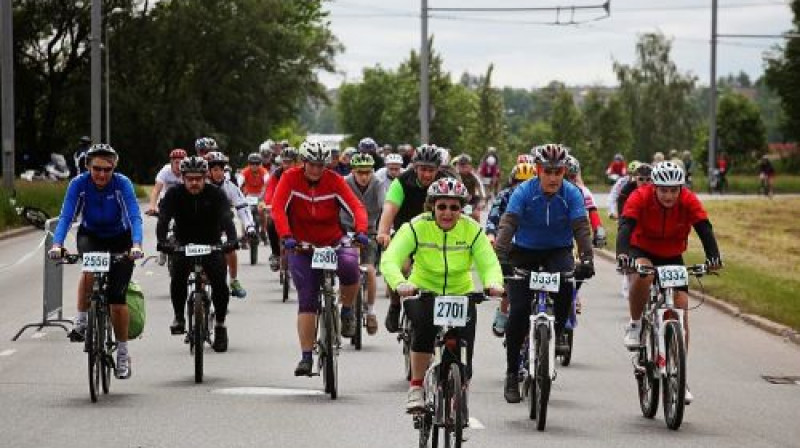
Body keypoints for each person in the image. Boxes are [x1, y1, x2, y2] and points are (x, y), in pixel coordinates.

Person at [380, 178, 504, 412]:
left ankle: (461, 389)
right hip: (423, 290)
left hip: (461, 293)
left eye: (454, 207)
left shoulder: (472, 229)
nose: (448, 213)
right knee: (424, 331)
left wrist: (493, 283)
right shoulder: (416, 226)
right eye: (442, 207)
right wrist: (400, 283)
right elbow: (390, 259)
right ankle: (416, 387)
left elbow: (489, 262)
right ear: (432, 207)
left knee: (465, 345)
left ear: (461, 209)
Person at [494, 143, 595, 403]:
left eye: (558, 172)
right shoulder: (523, 192)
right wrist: (501, 255)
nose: (553, 177)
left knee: (565, 294)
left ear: (564, 171)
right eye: (547, 171)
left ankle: (555, 335)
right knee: (517, 311)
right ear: (538, 170)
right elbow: (508, 223)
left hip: (557, 251)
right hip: (524, 251)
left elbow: (581, 227)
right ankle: (512, 373)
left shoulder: (571, 193)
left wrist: (586, 257)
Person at [616, 161, 723, 404]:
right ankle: (634, 325)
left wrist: (713, 256)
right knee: (646, 275)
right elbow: (626, 226)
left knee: (682, 308)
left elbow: (704, 227)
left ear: (680, 188)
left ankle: (679, 374)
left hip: (673, 254)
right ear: (654, 187)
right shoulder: (640, 196)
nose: (669, 195)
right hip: (641, 247)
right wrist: (623, 254)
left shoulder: (688, 199)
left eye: (674, 190)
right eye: (664, 190)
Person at [270, 139, 369, 376]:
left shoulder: (334, 180)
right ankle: (306, 357)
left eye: (321, 165)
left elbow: (356, 207)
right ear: (303, 163)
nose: (316, 169)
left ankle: (346, 311)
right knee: (307, 299)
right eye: (312, 164)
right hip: (302, 245)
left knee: (350, 266)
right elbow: (277, 208)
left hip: (332, 240)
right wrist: (286, 236)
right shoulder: (290, 178)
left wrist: (362, 230)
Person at [48, 144, 144, 380]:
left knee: (117, 300)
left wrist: (137, 245)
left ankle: (122, 353)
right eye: (97, 169)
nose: (102, 175)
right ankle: (81, 322)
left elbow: (134, 215)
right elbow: (66, 216)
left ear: (114, 168)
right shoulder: (78, 185)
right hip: (90, 236)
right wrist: (57, 244)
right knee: (89, 269)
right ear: (88, 167)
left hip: (121, 239)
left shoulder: (122, 184)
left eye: (107, 170)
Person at [156, 156, 238, 352]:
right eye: (190, 178)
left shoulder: (216, 194)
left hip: (211, 243)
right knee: (178, 277)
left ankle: (219, 324)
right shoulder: (174, 194)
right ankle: (178, 317)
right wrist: (162, 242)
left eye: (198, 178)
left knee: (219, 282)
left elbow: (227, 218)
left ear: (205, 177)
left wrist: (232, 241)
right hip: (183, 243)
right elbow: (164, 219)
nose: (194, 182)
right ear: (182, 178)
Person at [376, 144, 446, 333]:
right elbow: (389, 208)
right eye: (423, 169)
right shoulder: (402, 182)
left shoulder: (446, 182)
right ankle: (395, 304)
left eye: (431, 170)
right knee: (400, 266)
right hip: (406, 234)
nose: (427, 175)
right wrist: (383, 232)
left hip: (436, 236)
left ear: (438, 169)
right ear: (415, 167)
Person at [485, 162, 536, 336]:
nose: (522, 186)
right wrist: (491, 235)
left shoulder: (542, 196)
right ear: (511, 182)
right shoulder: (504, 196)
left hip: (537, 245)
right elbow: (492, 218)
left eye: (528, 182)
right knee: (510, 278)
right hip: (510, 242)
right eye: (518, 182)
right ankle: (503, 311)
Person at [341, 153, 385, 335]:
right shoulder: (344, 183)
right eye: (360, 172)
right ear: (353, 171)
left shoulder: (378, 184)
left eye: (368, 172)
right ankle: (347, 309)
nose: (364, 176)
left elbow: (385, 206)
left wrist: (385, 230)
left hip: (369, 231)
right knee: (346, 269)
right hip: (346, 230)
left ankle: (371, 311)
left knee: (370, 269)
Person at [206, 151, 257, 298]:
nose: (219, 173)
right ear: (208, 171)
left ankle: (234, 280)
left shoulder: (230, 187)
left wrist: (249, 226)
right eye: (215, 169)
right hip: (202, 227)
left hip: (223, 226)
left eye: (221, 169)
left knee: (231, 249)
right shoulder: (201, 185)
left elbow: (242, 207)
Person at [263, 146, 302, 271]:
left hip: (299, 209)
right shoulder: (277, 174)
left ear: (296, 162)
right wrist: (269, 204)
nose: (286, 165)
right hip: (281, 208)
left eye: (289, 162)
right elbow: (270, 191)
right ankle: (275, 253)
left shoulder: (303, 174)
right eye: (284, 162)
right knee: (270, 223)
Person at [146, 148, 186, 216]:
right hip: (166, 200)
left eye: (181, 163)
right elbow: (156, 190)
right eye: (176, 162)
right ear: (171, 162)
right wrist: (152, 206)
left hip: (181, 201)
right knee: (162, 221)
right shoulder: (165, 170)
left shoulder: (187, 172)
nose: (179, 166)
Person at [240, 152, 270, 243]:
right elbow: (239, 182)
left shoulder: (264, 171)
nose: (254, 166)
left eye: (257, 163)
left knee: (262, 210)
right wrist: (241, 191)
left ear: (260, 164)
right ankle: (244, 235)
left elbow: (267, 182)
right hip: (248, 195)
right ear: (249, 164)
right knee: (245, 212)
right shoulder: (245, 171)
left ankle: (263, 231)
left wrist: (264, 193)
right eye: (252, 163)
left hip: (260, 195)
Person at [454, 154, 485, 221]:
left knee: (475, 215)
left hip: (471, 200)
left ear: (470, 166)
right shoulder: (454, 175)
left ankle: (477, 229)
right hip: (458, 199)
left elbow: (480, 186)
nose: (463, 168)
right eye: (461, 166)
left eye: (465, 166)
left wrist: (482, 200)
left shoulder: (473, 175)